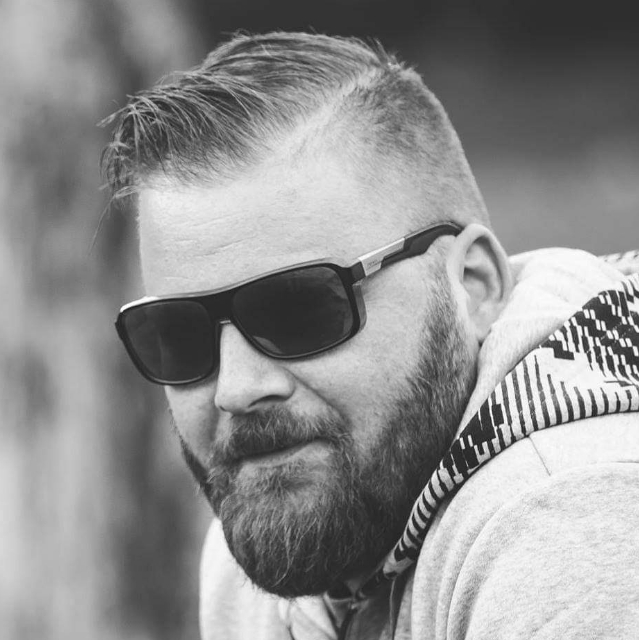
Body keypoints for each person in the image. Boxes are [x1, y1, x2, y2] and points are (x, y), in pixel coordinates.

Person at [103, 32, 639, 640]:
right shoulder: (269, 523)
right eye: (179, 334)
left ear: (474, 285)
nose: (236, 389)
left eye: (300, 309)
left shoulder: (573, 533)